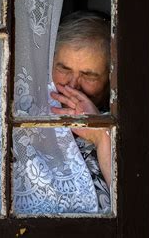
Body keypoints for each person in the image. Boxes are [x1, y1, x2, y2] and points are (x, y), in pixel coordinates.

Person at [50, 11, 112, 210]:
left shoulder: (123, 124)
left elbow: (134, 210)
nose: (73, 86)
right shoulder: (22, 118)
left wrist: (101, 134)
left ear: (110, 80)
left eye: (89, 75)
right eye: (64, 69)